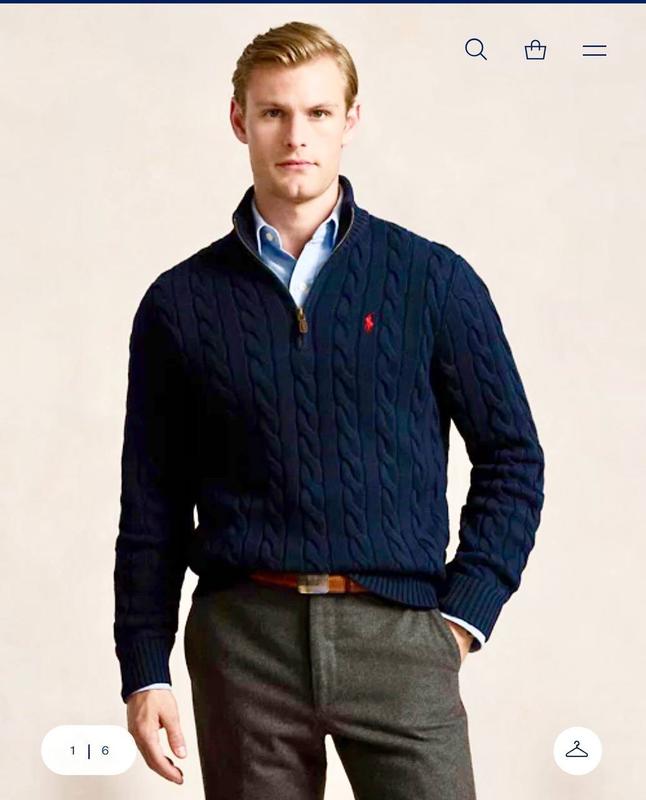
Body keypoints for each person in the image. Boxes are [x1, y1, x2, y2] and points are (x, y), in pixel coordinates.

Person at [113, 20, 545, 800]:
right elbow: (153, 502)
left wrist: (462, 618)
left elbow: (512, 457)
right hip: (244, 641)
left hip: (401, 633)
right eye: (273, 112)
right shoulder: (180, 304)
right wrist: (145, 668)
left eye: (317, 113)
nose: (296, 136)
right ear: (240, 120)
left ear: (350, 120)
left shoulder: (432, 281)